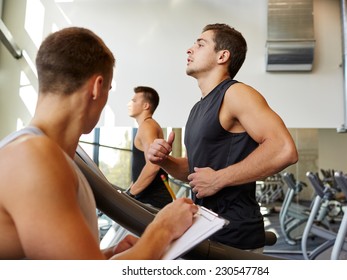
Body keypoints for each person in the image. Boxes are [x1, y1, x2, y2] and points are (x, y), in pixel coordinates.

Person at [0, 27, 198, 260]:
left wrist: (109, 255)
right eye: (109, 89)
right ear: (96, 87)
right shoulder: (35, 157)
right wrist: (163, 228)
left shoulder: (36, 152)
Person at [147, 23, 298, 251]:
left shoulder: (236, 94)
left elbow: (284, 149)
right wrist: (164, 161)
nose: (189, 49)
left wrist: (219, 179)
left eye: (200, 44)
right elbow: (194, 171)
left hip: (234, 234)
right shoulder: (198, 108)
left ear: (222, 56)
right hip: (203, 228)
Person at [126, 86, 173, 208]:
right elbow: (142, 165)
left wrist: (130, 194)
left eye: (134, 100)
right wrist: (130, 188)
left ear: (146, 106)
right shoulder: (147, 125)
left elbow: (154, 165)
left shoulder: (147, 126)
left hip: (152, 202)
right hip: (149, 200)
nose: (129, 104)